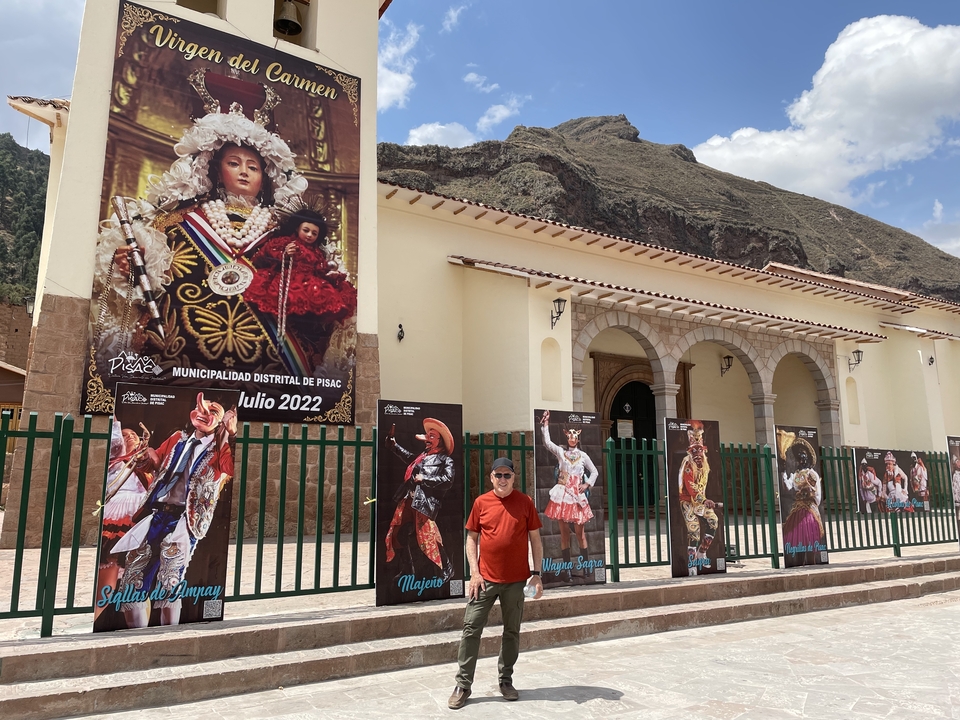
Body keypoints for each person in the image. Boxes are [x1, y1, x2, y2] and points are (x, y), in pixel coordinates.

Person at [108, 392, 236, 628]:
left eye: (213, 411)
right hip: (156, 514)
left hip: (185, 519)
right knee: (132, 581)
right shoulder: (177, 439)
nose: (205, 412)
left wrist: (231, 434)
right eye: (202, 408)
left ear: (221, 422)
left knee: (170, 581)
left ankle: (169, 635)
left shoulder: (221, 450)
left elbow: (231, 468)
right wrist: (146, 458)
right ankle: (136, 636)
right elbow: (155, 464)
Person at [449, 457, 543, 710]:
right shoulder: (481, 502)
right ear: (491, 478)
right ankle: (463, 685)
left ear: (514, 478)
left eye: (507, 475)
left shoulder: (525, 502)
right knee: (471, 628)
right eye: (498, 475)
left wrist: (537, 574)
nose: (503, 479)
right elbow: (471, 539)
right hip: (484, 581)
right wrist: (474, 572)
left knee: (512, 631)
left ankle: (506, 680)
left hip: (516, 581)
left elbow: (535, 539)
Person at [244, 205, 357, 367]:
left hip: (309, 285)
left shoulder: (317, 252)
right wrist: (284, 254)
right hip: (288, 280)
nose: (310, 235)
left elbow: (319, 268)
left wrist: (329, 275)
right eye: (306, 230)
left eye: (314, 233)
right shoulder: (285, 242)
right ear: (297, 228)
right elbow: (264, 255)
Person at [383, 418, 457, 583]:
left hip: (424, 503)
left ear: (440, 441)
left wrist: (425, 479)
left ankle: (446, 568)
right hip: (409, 500)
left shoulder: (445, 460)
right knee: (399, 532)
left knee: (428, 537)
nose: (427, 439)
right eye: (427, 435)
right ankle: (407, 569)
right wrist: (394, 446)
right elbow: (409, 458)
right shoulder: (423, 456)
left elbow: (448, 480)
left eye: (432, 436)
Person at [538, 410, 598, 582]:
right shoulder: (561, 452)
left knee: (580, 533)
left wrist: (586, 484)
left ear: (578, 436)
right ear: (566, 435)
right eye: (569, 434)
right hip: (563, 495)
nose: (572, 437)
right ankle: (567, 570)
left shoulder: (583, 456)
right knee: (564, 533)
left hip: (577, 496)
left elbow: (594, 471)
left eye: (575, 434)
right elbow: (547, 443)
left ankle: (586, 568)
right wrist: (545, 425)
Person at [678, 421, 718, 571]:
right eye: (694, 451)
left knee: (713, 521)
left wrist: (704, 501)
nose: (697, 454)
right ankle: (692, 562)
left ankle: (702, 553)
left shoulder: (705, 465)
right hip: (687, 501)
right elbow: (691, 487)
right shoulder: (688, 465)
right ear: (690, 452)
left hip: (701, 501)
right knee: (694, 530)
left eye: (699, 450)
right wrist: (704, 500)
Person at [780, 440, 825, 564]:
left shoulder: (812, 473)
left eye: (803, 458)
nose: (801, 461)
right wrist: (783, 472)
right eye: (799, 459)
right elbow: (788, 487)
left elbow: (817, 492)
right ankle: (800, 562)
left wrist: (811, 496)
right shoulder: (795, 475)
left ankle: (811, 562)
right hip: (798, 509)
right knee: (798, 537)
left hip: (810, 508)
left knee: (809, 537)